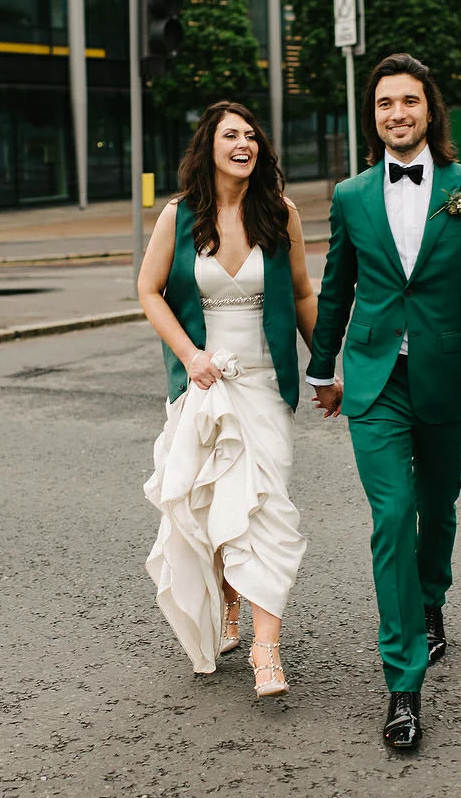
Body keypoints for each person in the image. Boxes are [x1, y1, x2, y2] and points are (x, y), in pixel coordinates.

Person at [307, 53, 461, 750]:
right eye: (382, 104)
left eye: (407, 101)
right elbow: (335, 288)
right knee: (393, 515)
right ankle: (403, 683)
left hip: (443, 375)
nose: (395, 113)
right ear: (372, 117)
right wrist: (322, 371)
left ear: (429, 109)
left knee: (438, 504)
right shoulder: (351, 195)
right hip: (372, 378)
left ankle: (432, 598)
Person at [137, 100, 319, 698]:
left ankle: (267, 649)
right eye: (230, 135)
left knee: (267, 508)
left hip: (267, 385)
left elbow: (300, 293)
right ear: (208, 147)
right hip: (204, 387)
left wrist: (326, 368)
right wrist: (190, 356)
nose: (243, 144)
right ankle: (227, 600)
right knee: (213, 505)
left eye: (251, 136)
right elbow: (149, 289)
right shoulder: (179, 216)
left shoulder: (280, 213)